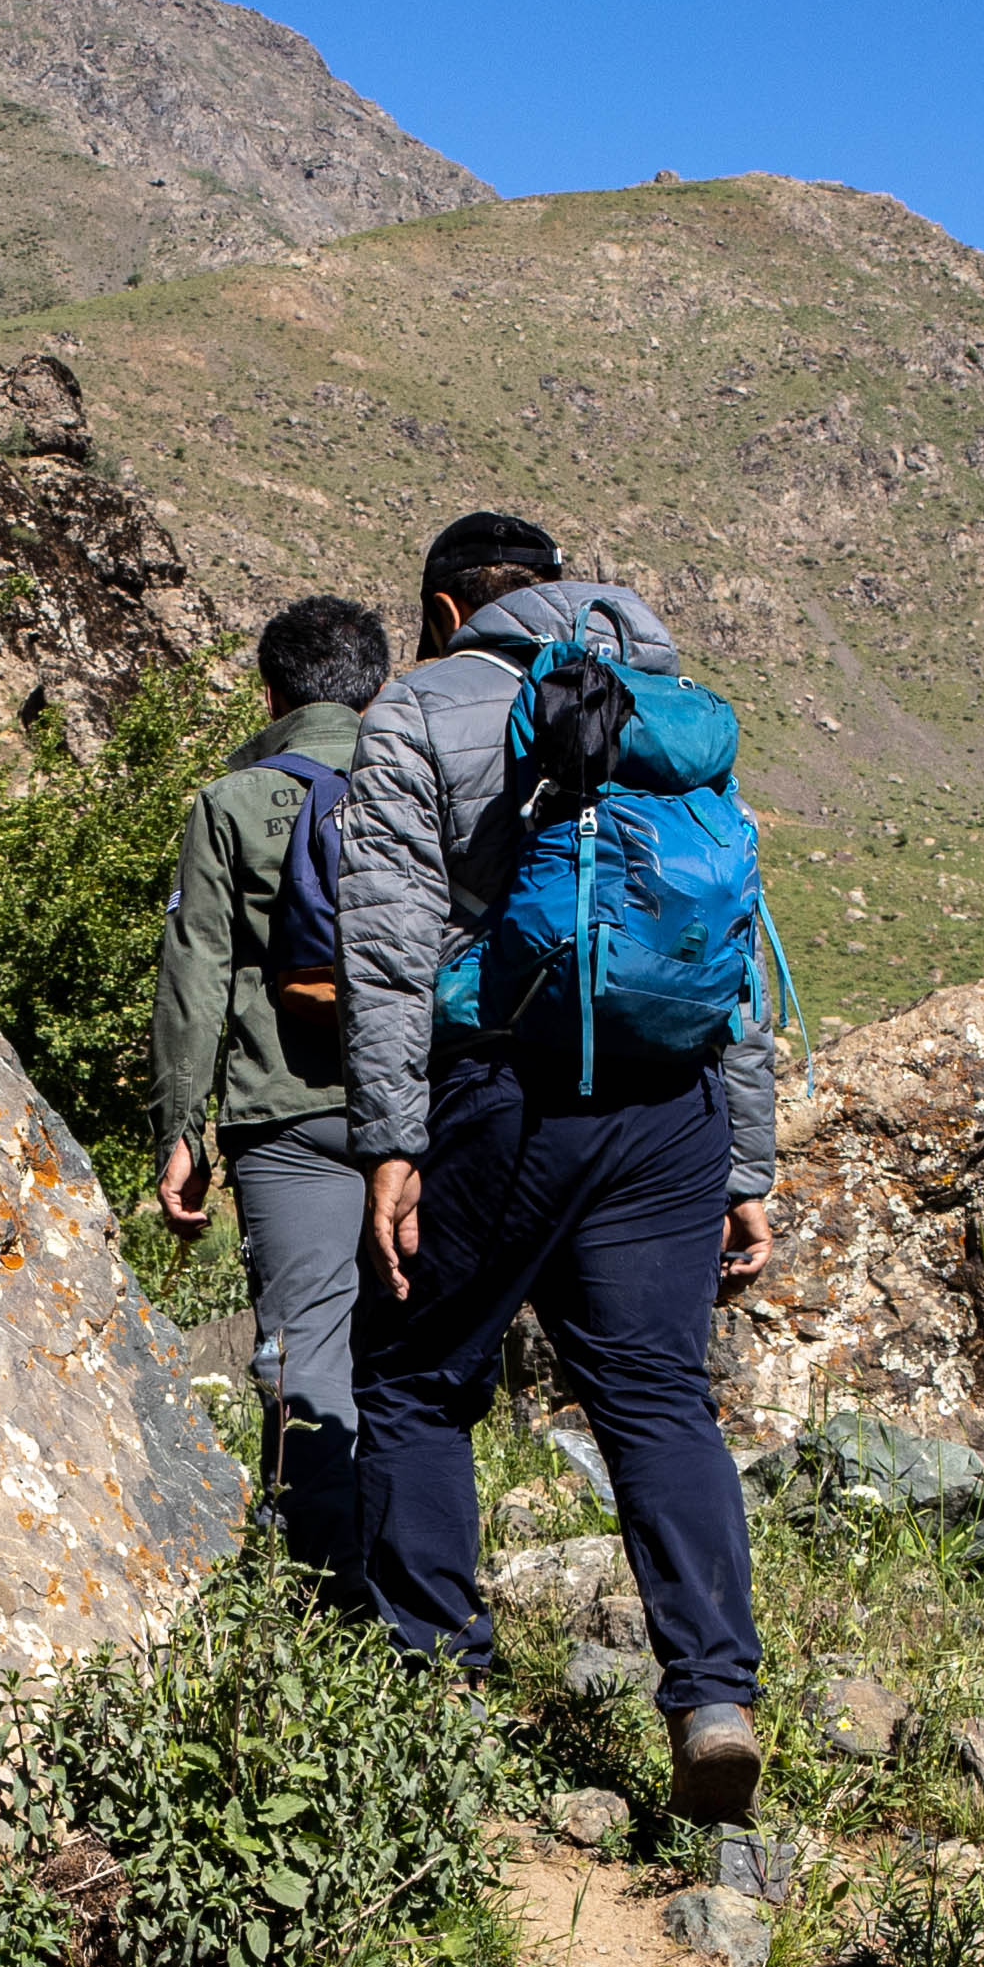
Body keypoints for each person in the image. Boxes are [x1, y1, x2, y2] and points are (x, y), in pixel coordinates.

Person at [332, 511, 782, 1818]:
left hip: (505, 1092)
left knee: (412, 1372)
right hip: (670, 1105)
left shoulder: (421, 712)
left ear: (443, 614)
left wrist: (389, 1138)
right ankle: (712, 1693)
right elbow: (735, 942)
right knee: (655, 1399)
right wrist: (746, 1158)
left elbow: (388, 944)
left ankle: (435, 1688)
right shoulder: (673, 714)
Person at [150, 595, 396, 1585]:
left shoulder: (234, 803)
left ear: (272, 692)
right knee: (413, 1364)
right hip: (420, 1118)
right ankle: (420, 1612)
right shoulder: (421, 791)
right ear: (375, 690)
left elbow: (197, 973)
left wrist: (181, 1127)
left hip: (287, 1114)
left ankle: (316, 1612)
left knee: (303, 1363)